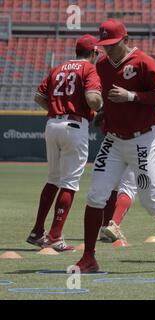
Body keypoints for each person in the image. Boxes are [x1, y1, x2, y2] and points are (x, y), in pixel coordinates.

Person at [73, 20, 155, 272]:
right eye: (105, 45)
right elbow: (108, 98)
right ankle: (89, 256)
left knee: (152, 201)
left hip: (144, 138)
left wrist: (131, 96)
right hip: (115, 139)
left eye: (113, 44)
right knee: (95, 196)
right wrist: (104, 113)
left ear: (125, 39)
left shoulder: (142, 61)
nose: (109, 50)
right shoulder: (103, 65)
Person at [26, 35, 103, 251]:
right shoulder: (89, 69)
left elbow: (39, 97)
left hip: (52, 124)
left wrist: (56, 110)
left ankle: (37, 231)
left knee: (53, 179)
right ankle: (55, 236)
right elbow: (92, 99)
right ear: (94, 53)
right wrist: (101, 107)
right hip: (74, 126)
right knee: (69, 183)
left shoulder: (59, 67)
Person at [100, 105, 155, 242]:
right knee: (129, 187)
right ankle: (114, 224)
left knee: (113, 187)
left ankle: (104, 228)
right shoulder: (151, 98)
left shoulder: (119, 95)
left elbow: (104, 126)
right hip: (142, 146)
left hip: (116, 143)